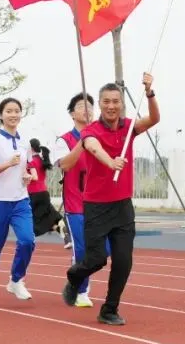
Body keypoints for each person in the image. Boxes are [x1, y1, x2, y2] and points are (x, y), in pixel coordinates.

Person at [63, 75, 159, 326]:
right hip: (96, 206)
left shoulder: (129, 128)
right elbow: (93, 147)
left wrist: (150, 93)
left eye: (115, 101)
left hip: (122, 206)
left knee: (124, 261)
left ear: (121, 104)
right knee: (96, 260)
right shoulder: (91, 130)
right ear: (101, 105)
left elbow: (154, 119)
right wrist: (110, 161)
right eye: (106, 101)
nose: (111, 106)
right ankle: (74, 276)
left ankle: (109, 308)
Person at [0, 97, 36, 308]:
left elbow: (26, 167)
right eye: (9, 111)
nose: (13, 115)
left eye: (17, 111)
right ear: (1, 115)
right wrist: (7, 164)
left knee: (27, 241)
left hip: (20, 200)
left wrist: (27, 175)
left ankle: (16, 279)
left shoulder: (24, 141)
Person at [50, 92, 99, 307]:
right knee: (82, 249)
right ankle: (81, 290)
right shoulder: (64, 140)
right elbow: (66, 165)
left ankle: (74, 277)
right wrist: (83, 141)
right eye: (81, 106)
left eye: (90, 106)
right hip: (76, 204)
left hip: (100, 203)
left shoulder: (100, 136)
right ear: (72, 113)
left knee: (104, 250)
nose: (87, 109)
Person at [27, 138, 62, 238]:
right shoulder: (42, 160)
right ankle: (61, 229)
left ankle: (29, 240)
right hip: (44, 192)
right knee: (49, 215)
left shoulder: (31, 162)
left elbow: (32, 177)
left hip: (33, 194)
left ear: (31, 148)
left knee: (33, 220)